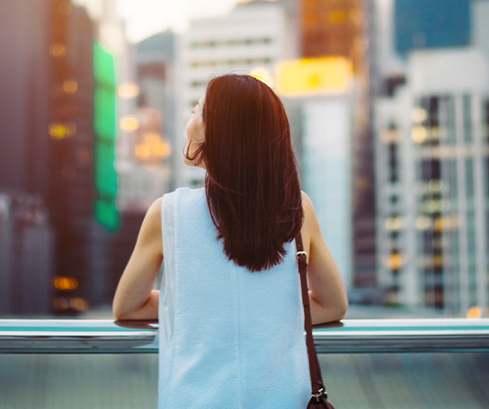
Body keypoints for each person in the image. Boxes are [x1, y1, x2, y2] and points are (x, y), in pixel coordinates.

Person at [113, 73, 348, 409]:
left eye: (196, 111)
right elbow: (332, 304)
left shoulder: (168, 213)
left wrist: (199, 306)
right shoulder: (297, 208)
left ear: (216, 132)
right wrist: (266, 309)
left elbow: (128, 306)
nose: (190, 121)